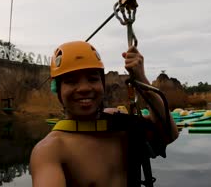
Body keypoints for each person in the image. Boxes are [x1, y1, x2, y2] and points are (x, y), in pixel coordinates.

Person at [30, 40, 179, 186]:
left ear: (102, 84)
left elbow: (169, 134)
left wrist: (141, 78)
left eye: (93, 79)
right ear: (58, 90)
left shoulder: (117, 125)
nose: (84, 88)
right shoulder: (49, 151)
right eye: (71, 81)